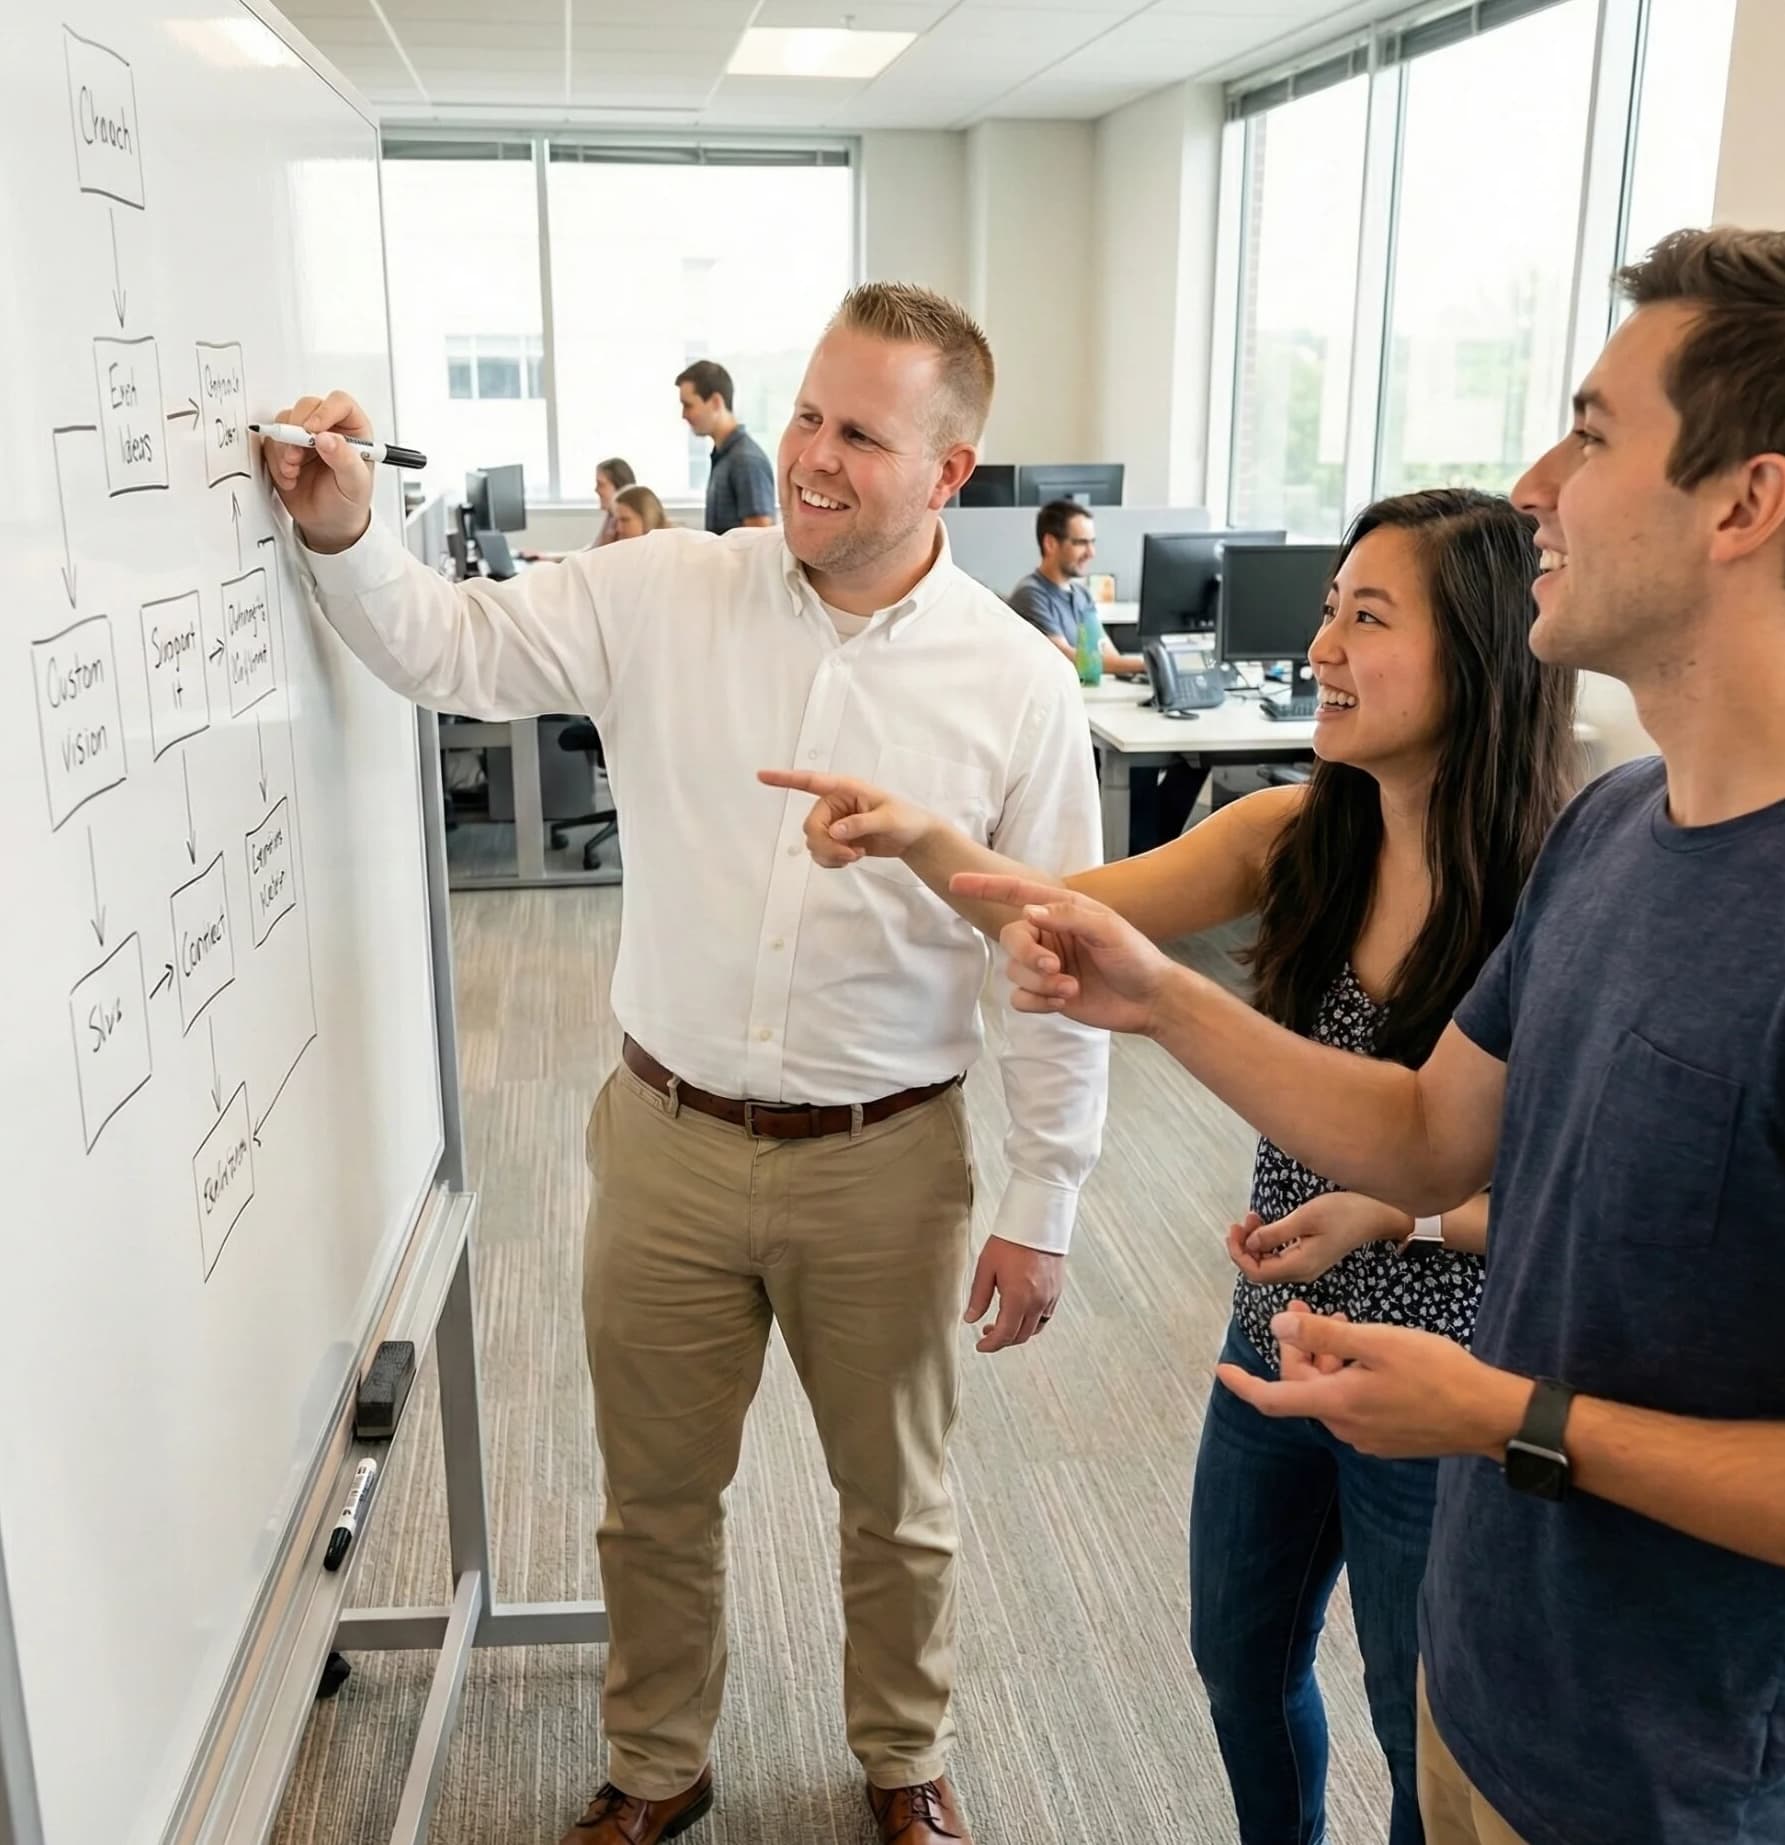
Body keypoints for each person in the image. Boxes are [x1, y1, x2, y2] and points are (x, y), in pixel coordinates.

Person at [952, 227, 1785, 1845]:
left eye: (1595, 433)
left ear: (1747, 503)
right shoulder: (1617, 832)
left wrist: (1500, 1418)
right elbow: (1425, 1137)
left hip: (1673, 1785)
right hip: (1486, 1691)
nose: (1535, 486)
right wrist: (1159, 994)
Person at [265, 281, 1109, 1845]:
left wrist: (1047, 1191)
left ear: (955, 468)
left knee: (899, 1508)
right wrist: (345, 532)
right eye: (804, 413)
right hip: (666, 1139)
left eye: (861, 431)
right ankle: (657, 1765)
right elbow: (447, 647)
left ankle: (902, 1757)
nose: (811, 455)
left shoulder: (1015, 687)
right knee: (653, 1499)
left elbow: (1054, 962)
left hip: (889, 1159)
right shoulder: (663, 589)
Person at [765, 487, 1578, 1845]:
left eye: (1365, 618)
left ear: (1482, 648)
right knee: (1238, 1662)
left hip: (1443, 1383)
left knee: (1414, 1717)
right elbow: (1062, 909)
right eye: (1328, 607)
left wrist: (1403, 1213)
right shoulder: (1294, 833)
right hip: (1274, 1338)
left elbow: (1572, 1199)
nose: (1320, 647)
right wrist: (916, 834)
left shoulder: (1558, 888)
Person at [1007, 500, 1145, 675]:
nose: (1091, 553)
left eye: (1092, 542)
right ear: (1050, 543)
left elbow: (1107, 653)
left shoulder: (1082, 595)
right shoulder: (1030, 594)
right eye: (1081, 543)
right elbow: (1068, 658)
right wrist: (1144, 664)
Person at [676, 358, 777, 534]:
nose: (684, 415)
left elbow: (759, 539)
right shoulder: (724, 457)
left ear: (716, 402)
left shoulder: (745, 460)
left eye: (688, 405)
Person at [521, 456, 636, 561]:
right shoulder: (611, 517)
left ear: (619, 487)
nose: (596, 489)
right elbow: (590, 551)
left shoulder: (623, 524)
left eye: (600, 484)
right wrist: (544, 557)